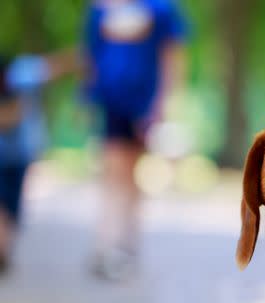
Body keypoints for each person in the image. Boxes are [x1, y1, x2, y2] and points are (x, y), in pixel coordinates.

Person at [83, 0, 187, 280]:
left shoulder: (161, 8)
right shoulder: (99, 9)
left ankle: (120, 244)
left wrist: (161, 104)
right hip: (110, 101)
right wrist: (87, 100)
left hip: (142, 102)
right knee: (114, 172)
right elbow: (92, 56)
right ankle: (111, 244)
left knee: (126, 175)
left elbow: (171, 56)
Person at [0, 52, 75, 274]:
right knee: (9, 206)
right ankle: (4, 249)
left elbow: (54, 67)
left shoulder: (21, 73)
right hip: (18, 154)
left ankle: (4, 249)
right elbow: (55, 67)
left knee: (10, 206)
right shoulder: (23, 73)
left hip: (18, 154)